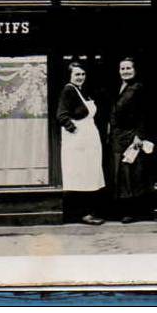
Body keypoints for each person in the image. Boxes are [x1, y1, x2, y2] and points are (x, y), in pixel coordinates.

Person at [56, 61, 105, 225]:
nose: (80, 77)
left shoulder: (81, 91)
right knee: (80, 175)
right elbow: (61, 115)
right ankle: (82, 214)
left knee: (90, 174)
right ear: (70, 76)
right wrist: (74, 130)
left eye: (83, 74)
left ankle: (88, 212)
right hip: (78, 141)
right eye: (77, 74)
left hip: (89, 138)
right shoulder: (68, 90)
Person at [107, 57, 154, 223]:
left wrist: (139, 135)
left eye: (128, 68)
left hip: (131, 135)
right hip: (118, 136)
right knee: (120, 172)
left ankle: (132, 211)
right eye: (122, 68)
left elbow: (143, 114)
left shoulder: (138, 88)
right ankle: (121, 209)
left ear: (135, 70)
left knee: (130, 173)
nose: (125, 71)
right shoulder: (121, 87)